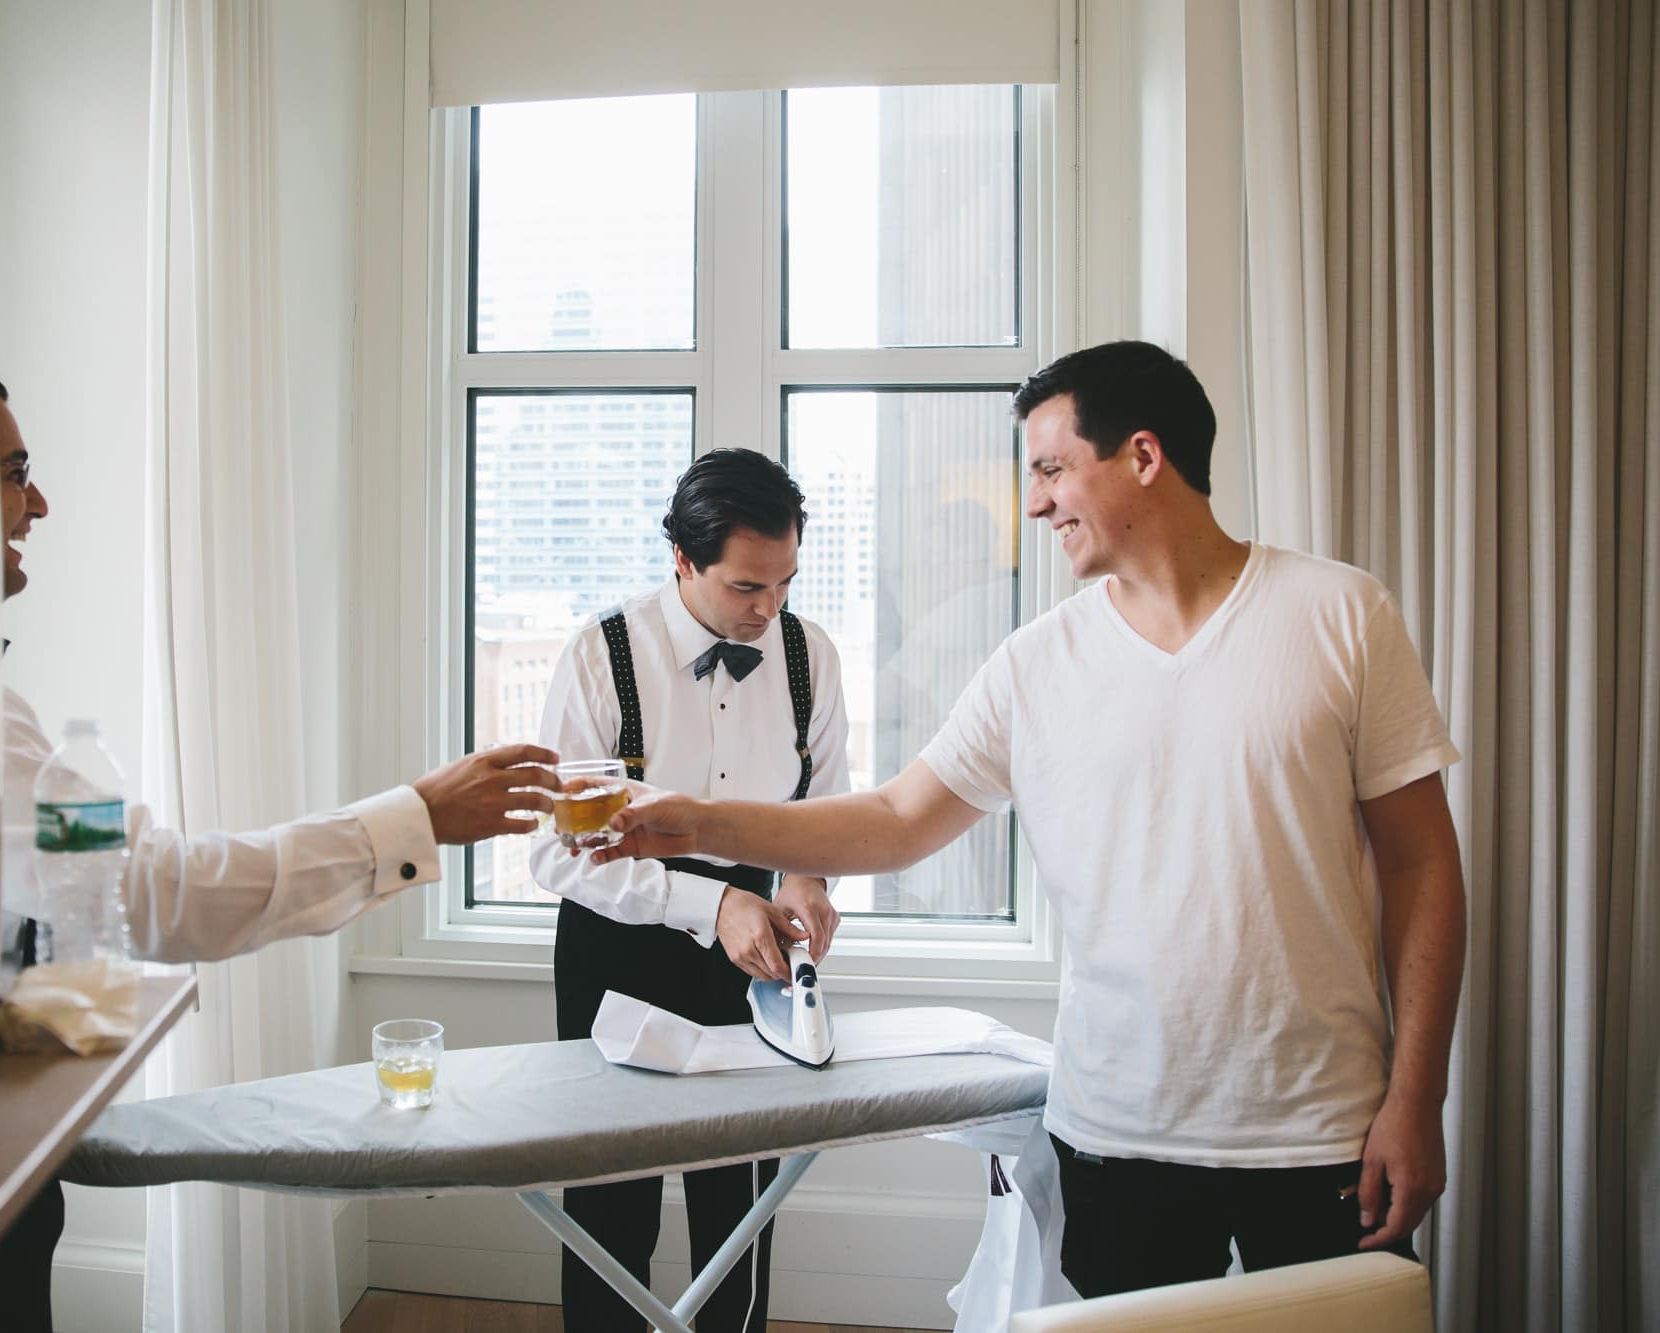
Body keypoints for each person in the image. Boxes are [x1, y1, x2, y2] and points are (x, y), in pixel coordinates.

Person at [595, 341, 1468, 1300]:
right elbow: (894, 820)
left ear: (1143, 456)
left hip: (1327, 1131)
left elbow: (1424, 864)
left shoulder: (1341, 614)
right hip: (1116, 1135)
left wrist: (1416, 1098)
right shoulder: (1033, 663)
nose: (1036, 502)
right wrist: (693, 826)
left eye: (1051, 469)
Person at [0, 354, 559, 1330]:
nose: (41, 502)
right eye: (14, 473)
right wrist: (417, 816)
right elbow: (152, 890)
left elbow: (111, 882)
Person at [529, 448, 850, 1333]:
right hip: (617, 944)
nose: (771, 605)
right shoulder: (601, 656)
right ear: (682, 559)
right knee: (608, 1213)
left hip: (755, 964)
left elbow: (824, 812)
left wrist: (805, 881)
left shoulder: (808, 655)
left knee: (741, 1214)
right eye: (748, 586)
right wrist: (709, 903)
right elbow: (557, 858)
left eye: (785, 580)